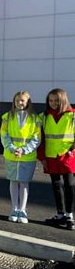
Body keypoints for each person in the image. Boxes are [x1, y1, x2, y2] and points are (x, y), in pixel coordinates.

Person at [0, 91, 41, 224]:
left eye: (22, 100)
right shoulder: (7, 117)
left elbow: (36, 138)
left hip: (27, 156)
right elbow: (4, 135)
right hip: (11, 155)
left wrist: (23, 150)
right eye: (17, 100)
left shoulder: (35, 118)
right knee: (13, 181)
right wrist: (12, 148)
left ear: (28, 102)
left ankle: (22, 210)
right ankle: (14, 209)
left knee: (23, 183)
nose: (19, 103)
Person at [37, 88, 75, 230]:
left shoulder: (72, 116)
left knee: (69, 185)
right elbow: (39, 139)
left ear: (63, 100)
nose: (53, 103)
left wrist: (72, 149)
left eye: (56, 100)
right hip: (51, 156)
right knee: (56, 186)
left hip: (68, 156)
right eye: (50, 100)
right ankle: (60, 215)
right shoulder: (44, 117)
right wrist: (41, 157)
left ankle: (70, 216)